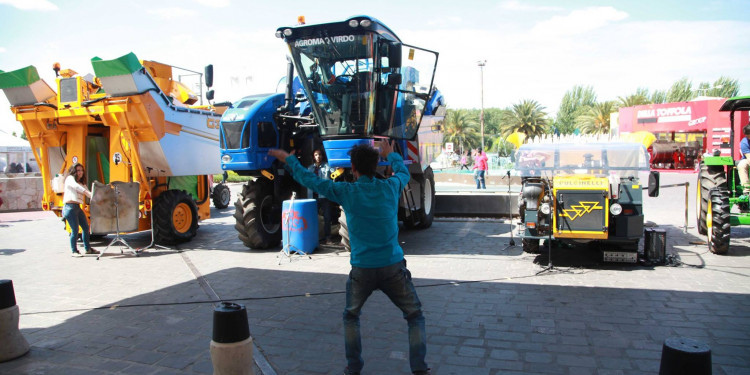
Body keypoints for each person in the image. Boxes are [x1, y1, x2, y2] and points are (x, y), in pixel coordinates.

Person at [268, 141, 430, 375]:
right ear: (376, 164)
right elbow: (403, 173)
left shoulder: (347, 192)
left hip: (362, 270)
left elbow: (311, 180)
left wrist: (289, 159)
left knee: (351, 316)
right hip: (393, 267)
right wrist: (391, 154)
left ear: (353, 168)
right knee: (414, 315)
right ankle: (420, 369)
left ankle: (354, 368)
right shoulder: (391, 187)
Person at [62, 163, 99, 257]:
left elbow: (88, 192)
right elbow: (77, 188)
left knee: (86, 227)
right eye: (78, 170)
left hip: (77, 207)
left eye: (81, 170)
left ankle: (88, 249)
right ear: (74, 171)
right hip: (70, 207)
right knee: (75, 230)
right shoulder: (70, 179)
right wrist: (87, 193)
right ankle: (74, 251)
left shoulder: (81, 182)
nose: (80, 172)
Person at [308, 148, 334, 243]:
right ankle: (314, 237)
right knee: (312, 218)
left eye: (319, 154)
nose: (318, 156)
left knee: (327, 217)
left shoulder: (328, 166)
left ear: (322, 156)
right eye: (316, 155)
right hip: (313, 196)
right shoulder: (310, 168)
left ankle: (328, 237)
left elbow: (335, 173)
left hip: (324, 196)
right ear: (313, 157)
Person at [738, 124, 750, 196]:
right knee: (741, 165)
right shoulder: (744, 142)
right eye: (747, 136)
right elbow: (749, 157)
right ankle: (746, 189)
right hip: (747, 159)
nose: (749, 137)